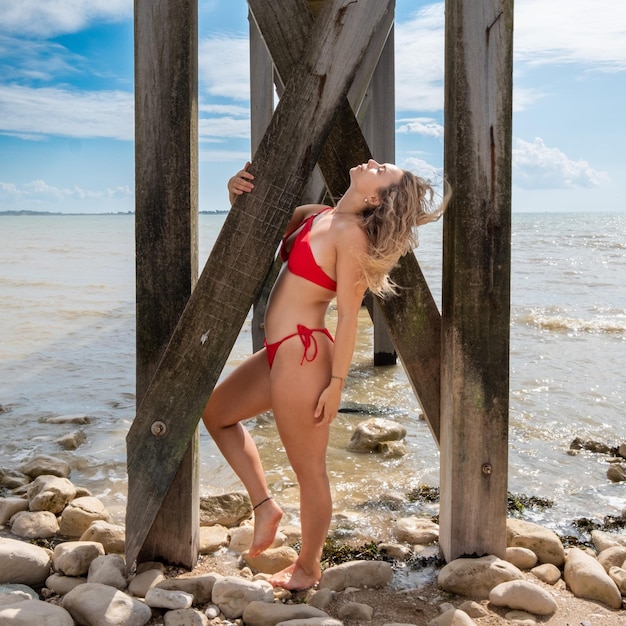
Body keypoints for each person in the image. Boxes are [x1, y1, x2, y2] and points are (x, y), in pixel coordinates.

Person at [202, 159, 447, 590]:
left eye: (382, 169)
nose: (372, 161)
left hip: (305, 353)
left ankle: (309, 566)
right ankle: (265, 506)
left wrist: (336, 385)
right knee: (216, 413)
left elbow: (350, 317)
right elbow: (260, 229)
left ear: (374, 198)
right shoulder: (316, 214)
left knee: (310, 470)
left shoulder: (350, 236)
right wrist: (234, 192)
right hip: (279, 351)